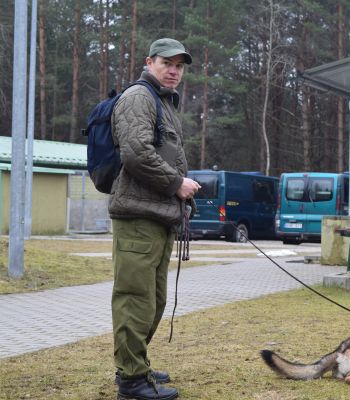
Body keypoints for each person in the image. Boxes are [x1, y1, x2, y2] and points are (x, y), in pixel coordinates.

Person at [110, 38, 200, 400]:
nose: (174, 71)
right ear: (149, 62)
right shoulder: (139, 97)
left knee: (155, 300)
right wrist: (177, 183)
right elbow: (135, 153)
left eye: (179, 66)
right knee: (136, 299)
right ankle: (131, 380)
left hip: (157, 215)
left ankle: (135, 364)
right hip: (138, 216)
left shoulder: (163, 101)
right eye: (167, 63)